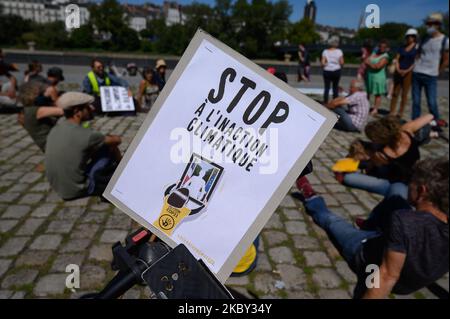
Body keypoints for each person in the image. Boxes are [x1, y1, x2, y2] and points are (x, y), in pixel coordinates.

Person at [296, 158, 448, 299]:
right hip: (407, 276)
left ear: (422, 191)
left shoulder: (406, 221)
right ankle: (374, 226)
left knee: (331, 221)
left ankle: (311, 198)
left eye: (412, 183)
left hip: (365, 253)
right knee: (398, 189)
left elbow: (387, 276)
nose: (409, 185)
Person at [45, 92, 122, 200]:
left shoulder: (58, 126)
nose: (92, 109)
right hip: (77, 190)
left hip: (60, 188)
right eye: (87, 107)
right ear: (77, 112)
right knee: (108, 147)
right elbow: (117, 140)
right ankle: (121, 173)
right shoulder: (87, 135)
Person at [337, 115, 434, 199]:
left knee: (349, 178)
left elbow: (369, 164)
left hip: (397, 183)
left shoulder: (383, 153)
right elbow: (429, 116)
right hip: (411, 178)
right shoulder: (405, 131)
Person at [412, 13, 449, 127]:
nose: (428, 26)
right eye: (427, 23)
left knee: (432, 102)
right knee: (416, 102)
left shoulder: (445, 40)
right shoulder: (424, 38)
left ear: (438, 24)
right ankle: (415, 124)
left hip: (431, 75)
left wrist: (438, 71)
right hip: (417, 73)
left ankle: (436, 123)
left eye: (430, 23)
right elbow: (418, 54)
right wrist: (415, 65)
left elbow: (446, 59)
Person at [18, 80, 63, 152]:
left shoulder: (26, 110)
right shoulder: (36, 111)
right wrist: (55, 98)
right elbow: (64, 111)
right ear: (33, 95)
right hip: (55, 146)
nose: (43, 95)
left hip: (50, 145)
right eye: (41, 93)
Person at [389, 29, 419, 118]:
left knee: (404, 94)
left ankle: (400, 112)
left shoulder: (416, 49)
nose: (409, 38)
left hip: (408, 72)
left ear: (415, 37)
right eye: (408, 36)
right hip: (399, 71)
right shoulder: (402, 47)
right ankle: (392, 111)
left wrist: (407, 70)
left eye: (412, 36)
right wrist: (398, 68)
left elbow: (415, 62)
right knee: (395, 92)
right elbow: (397, 58)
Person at [365, 40, 390, 115]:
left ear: (386, 48)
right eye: (380, 46)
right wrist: (370, 64)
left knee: (377, 94)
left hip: (378, 77)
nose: (381, 48)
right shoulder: (374, 53)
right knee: (368, 92)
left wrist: (369, 63)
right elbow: (366, 60)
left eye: (383, 47)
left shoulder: (385, 56)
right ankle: (366, 107)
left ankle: (375, 109)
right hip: (370, 75)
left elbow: (377, 66)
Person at [321, 38, 344, 104]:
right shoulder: (339, 51)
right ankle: (335, 102)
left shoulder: (325, 51)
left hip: (327, 70)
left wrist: (326, 65)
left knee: (327, 87)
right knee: (335, 87)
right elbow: (342, 62)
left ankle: (325, 102)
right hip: (336, 70)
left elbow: (322, 63)